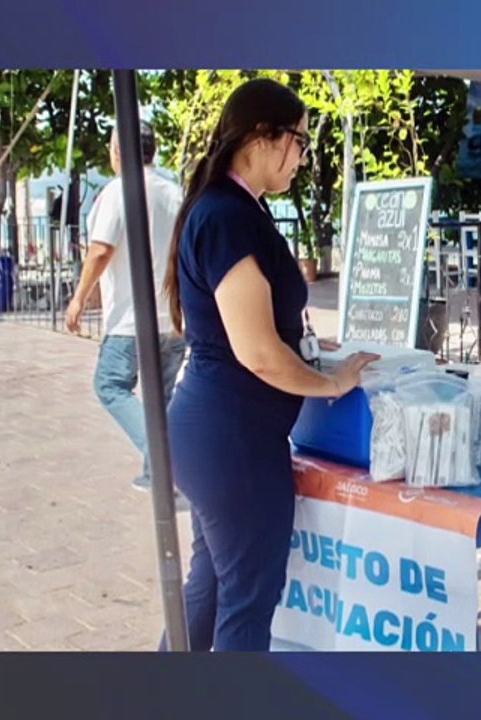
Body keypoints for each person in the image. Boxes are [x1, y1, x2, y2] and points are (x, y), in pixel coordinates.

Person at [158, 78, 378, 652]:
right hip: (232, 438)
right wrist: (331, 381)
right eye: (300, 141)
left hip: (219, 432)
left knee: (210, 588)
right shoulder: (227, 217)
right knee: (247, 602)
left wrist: (311, 357)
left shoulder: (232, 209)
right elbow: (257, 351)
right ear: (263, 136)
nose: (304, 156)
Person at [65, 121, 189, 495]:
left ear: (118, 151)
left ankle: (164, 460)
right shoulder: (175, 193)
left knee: (109, 384)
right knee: (162, 396)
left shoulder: (119, 192)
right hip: (172, 318)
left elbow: (101, 248)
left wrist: (79, 296)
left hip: (131, 319)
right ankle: (158, 473)